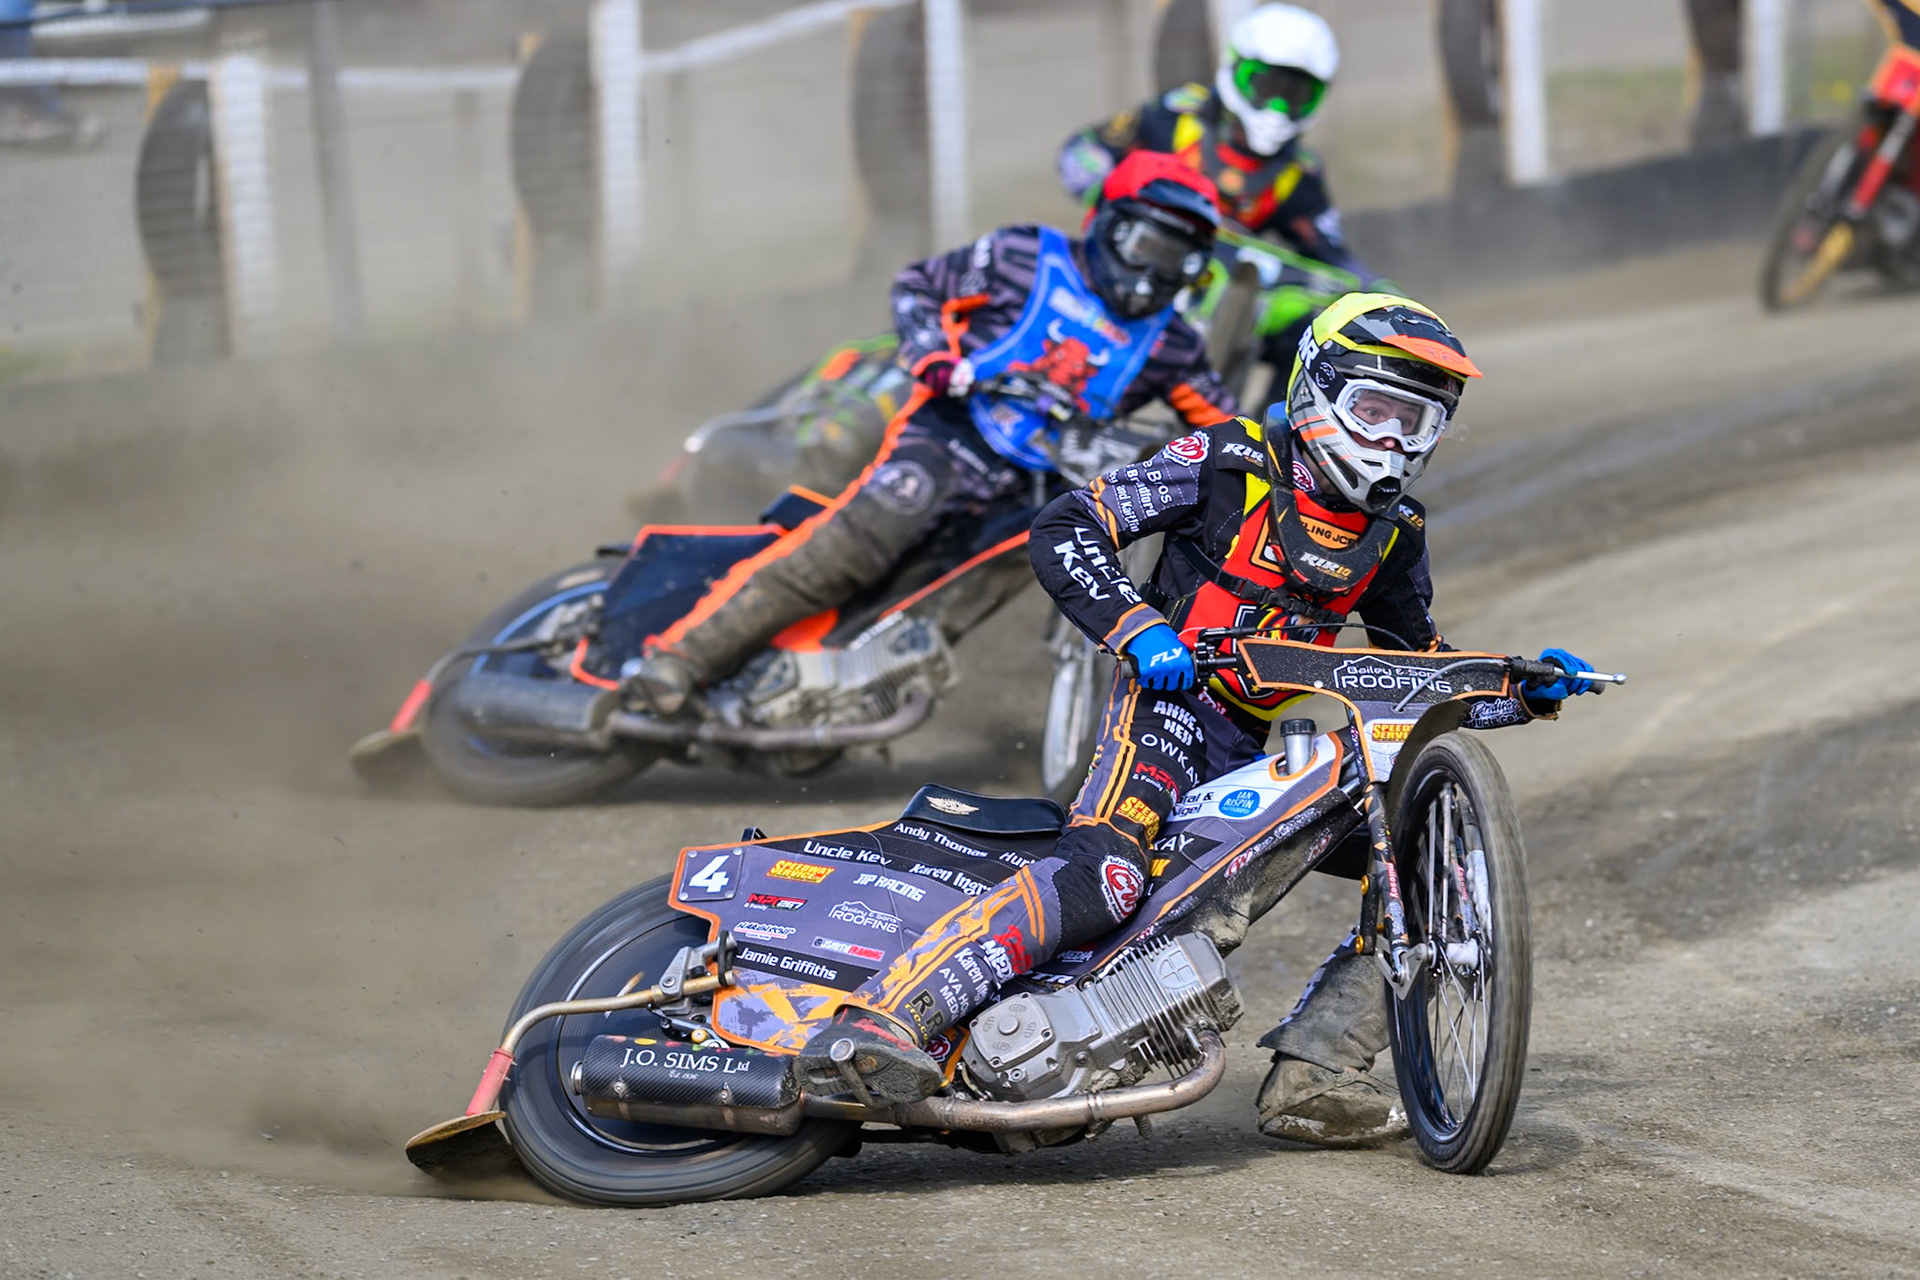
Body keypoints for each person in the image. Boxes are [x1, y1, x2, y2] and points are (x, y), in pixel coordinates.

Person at [1013, 292, 1599, 1143]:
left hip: (1268, 752)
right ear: (1317, 389)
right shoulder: (1225, 459)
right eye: (1376, 411)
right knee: (1105, 879)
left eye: (1416, 422)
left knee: (1431, 863)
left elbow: (1416, 670)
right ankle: (991, 1030)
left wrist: (1523, 692)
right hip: (1167, 714)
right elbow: (1069, 525)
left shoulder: (1395, 531)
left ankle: (1317, 1074)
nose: (1394, 440)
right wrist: (1139, 629)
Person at [625, 151, 1236, 723]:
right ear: (1108, 223)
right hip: (948, 433)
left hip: (1036, 486)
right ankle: (679, 658)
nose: (1157, 273)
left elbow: (1225, 428)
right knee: (851, 550)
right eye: (1149, 245)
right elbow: (919, 286)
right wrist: (933, 357)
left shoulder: (1174, 344)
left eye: (1180, 260)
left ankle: (842, 686)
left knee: (970, 592)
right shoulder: (1021, 254)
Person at [1058, 3, 1366, 280]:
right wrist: (1121, 199)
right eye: (1267, 86)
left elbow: (1335, 260)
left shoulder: (1299, 175)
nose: (1278, 107)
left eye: (1296, 95)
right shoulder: (1175, 117)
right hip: (1122, 266)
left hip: (1210, 302)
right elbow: (1081, 152)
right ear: (1234, 67)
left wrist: (1381, 295)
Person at [0, 0, 104, 148]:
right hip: (13, 25)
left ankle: (53, 117)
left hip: (13, 25)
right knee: (22, 73)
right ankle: (53, 117)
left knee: (22, 72)